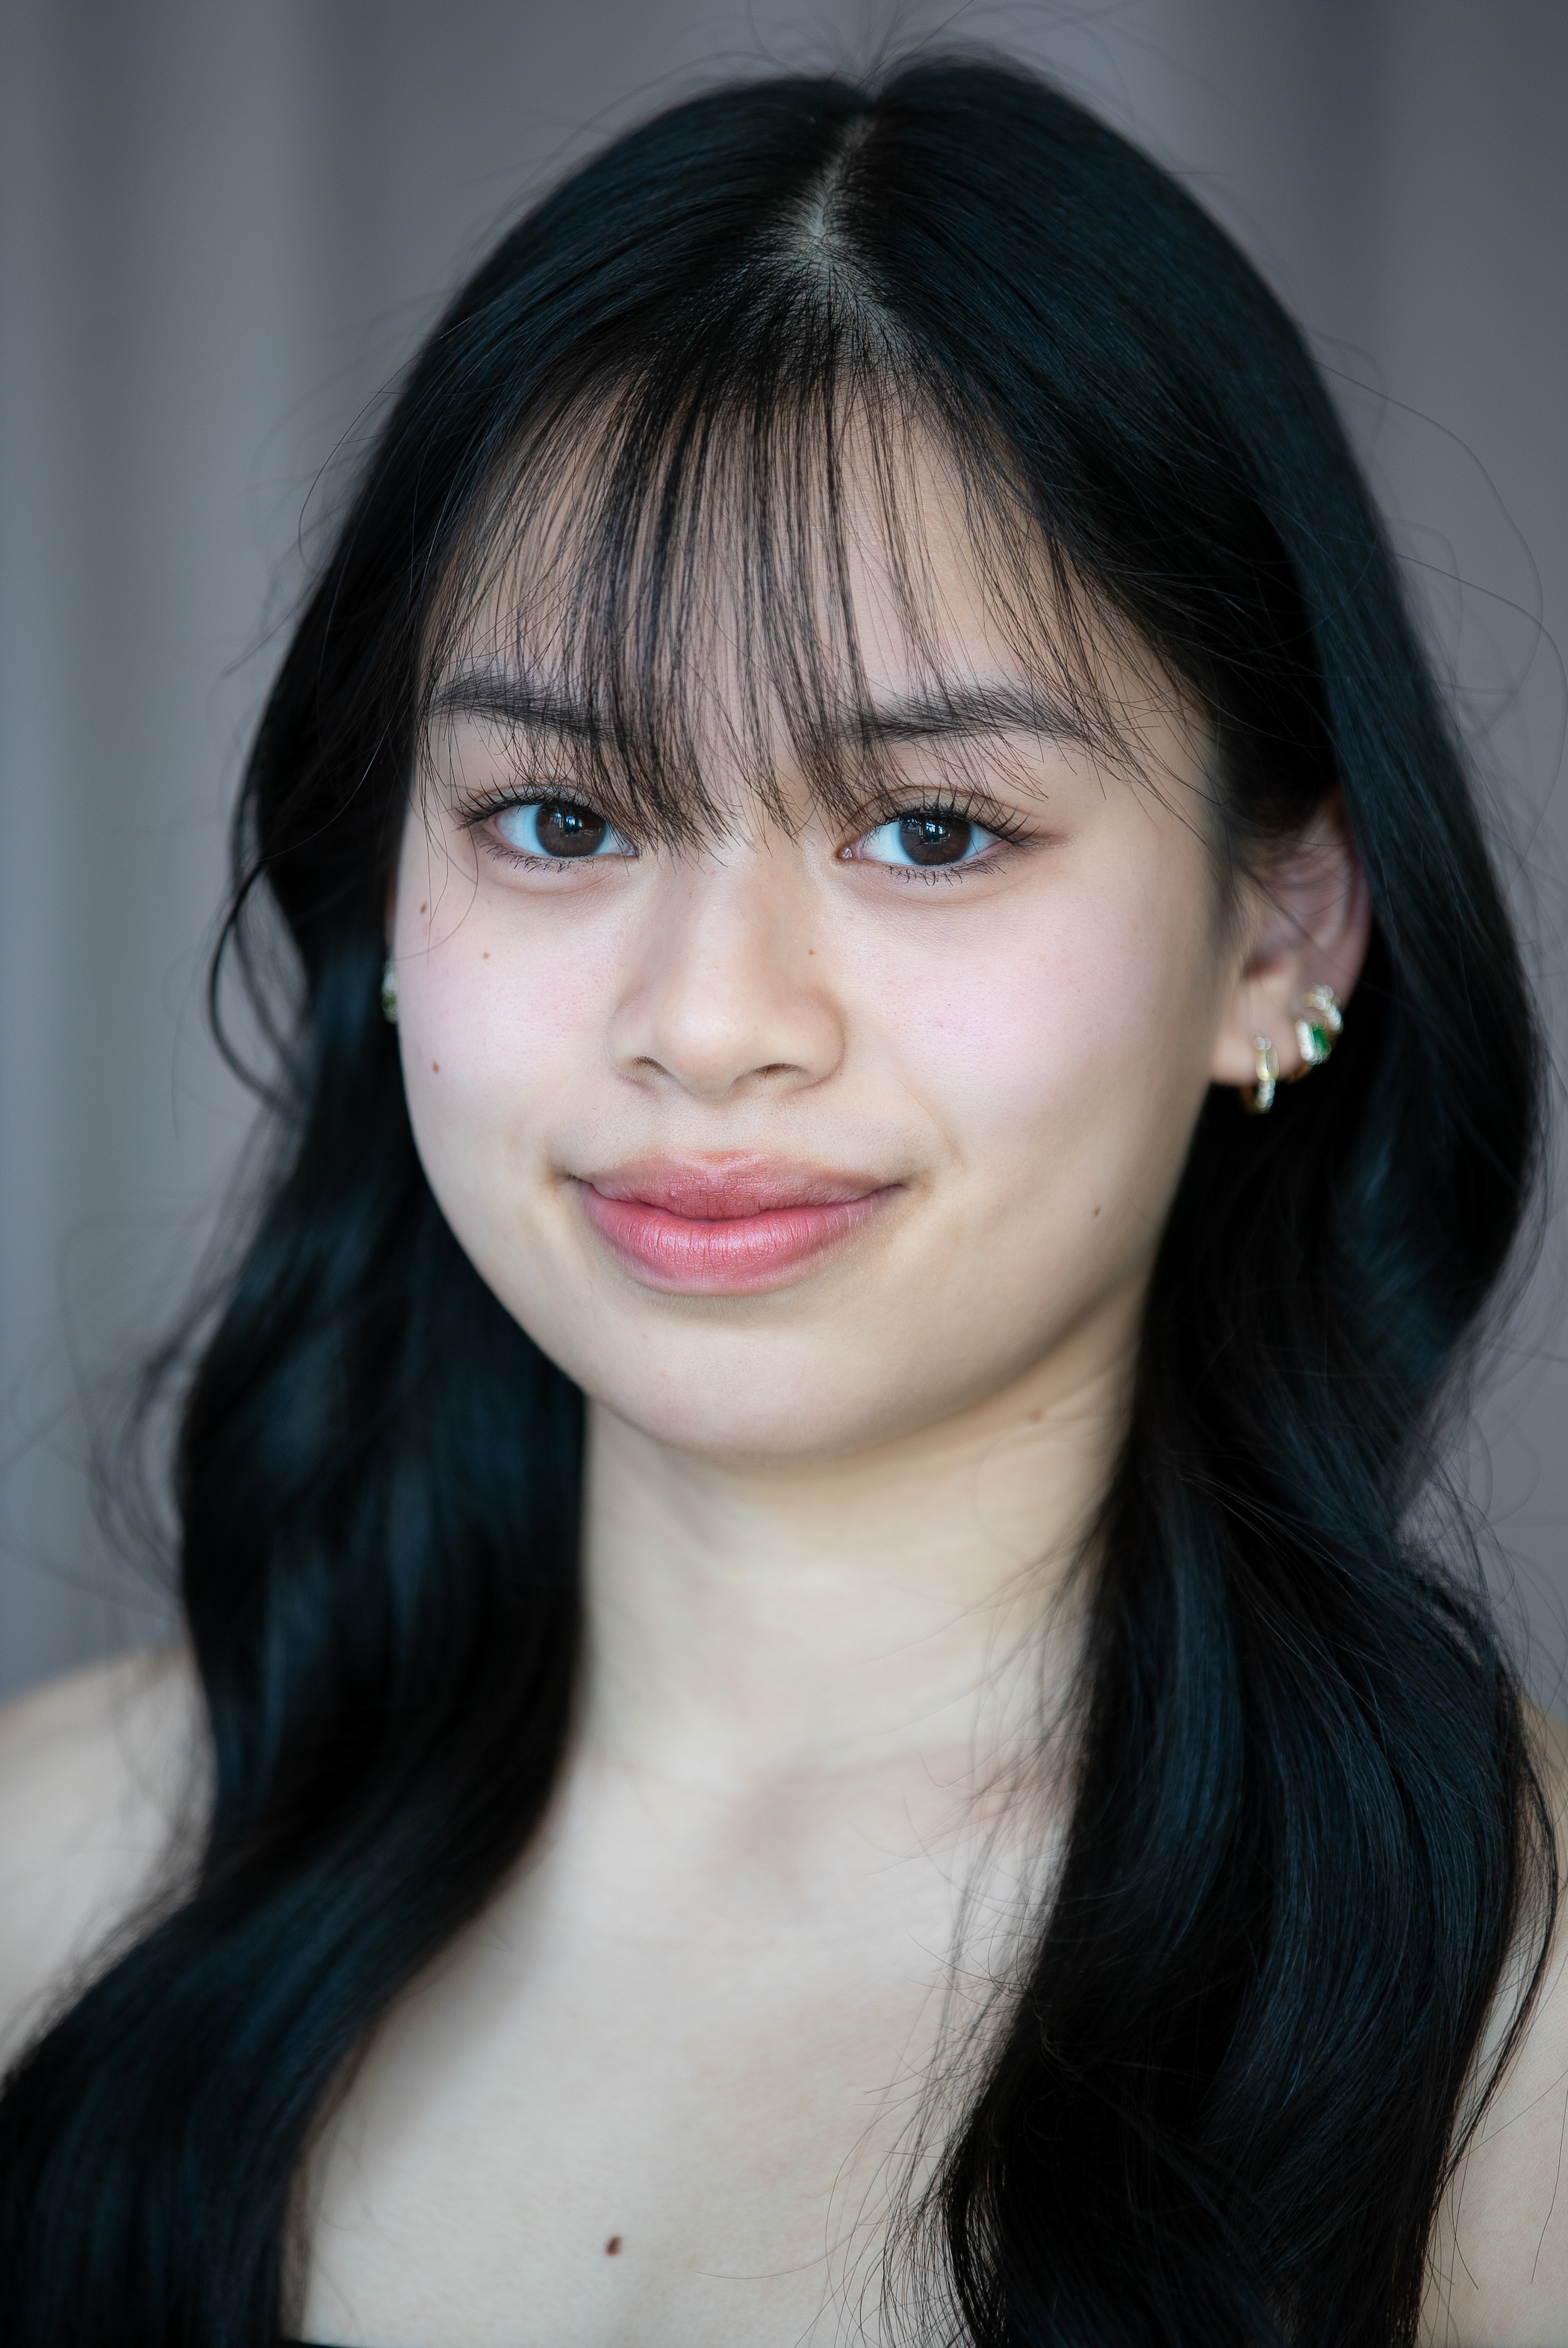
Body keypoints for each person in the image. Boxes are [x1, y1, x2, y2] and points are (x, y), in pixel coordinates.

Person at [0, 55, 1562, 2348]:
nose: (709, 1022)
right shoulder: (53, 1876)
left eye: (928, 828)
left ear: (1277, 930)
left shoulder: (1519, 2013)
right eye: (557, 817)